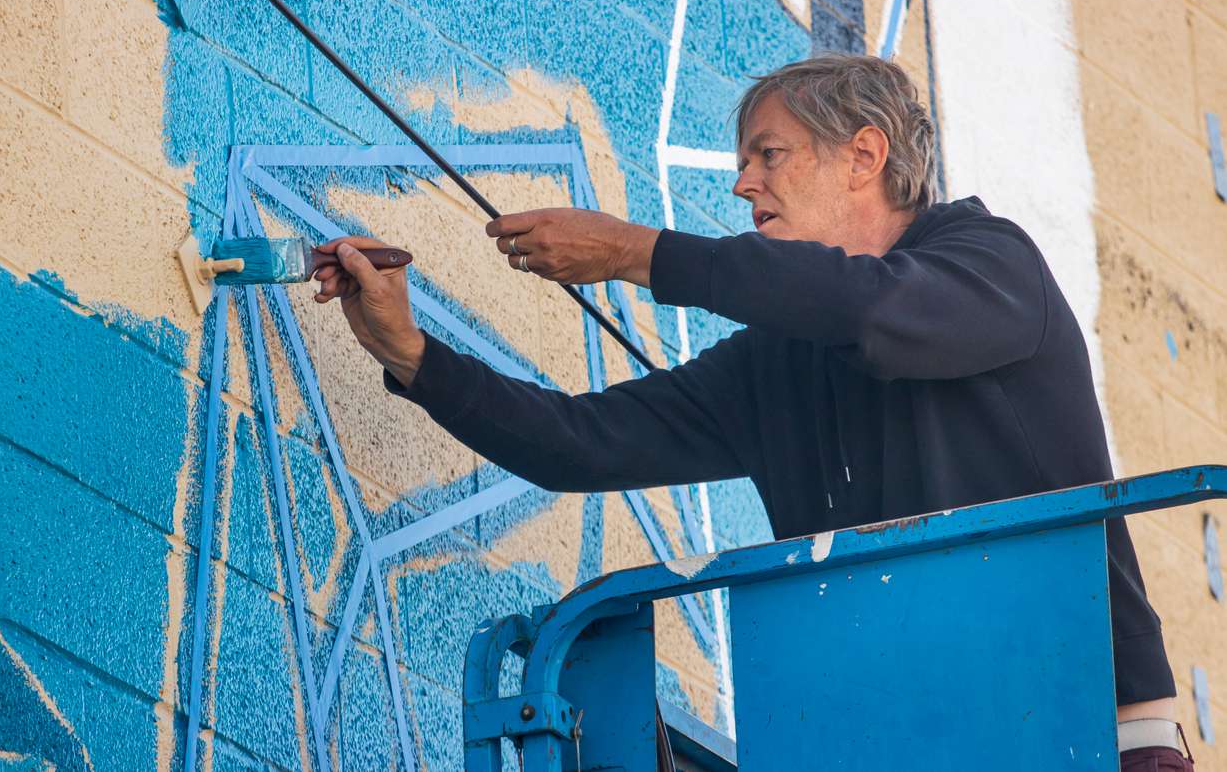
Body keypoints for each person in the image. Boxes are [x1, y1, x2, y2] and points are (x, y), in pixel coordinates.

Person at [313, 53, 1192, 769]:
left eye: (769, 155)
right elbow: (578, 444)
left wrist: (634, 252)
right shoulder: (772, 367)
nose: (742, 184)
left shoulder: (992, 265)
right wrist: (410, 355)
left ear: (864, 154)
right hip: (903, 743)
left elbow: (870, 312)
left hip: (1088, 736)